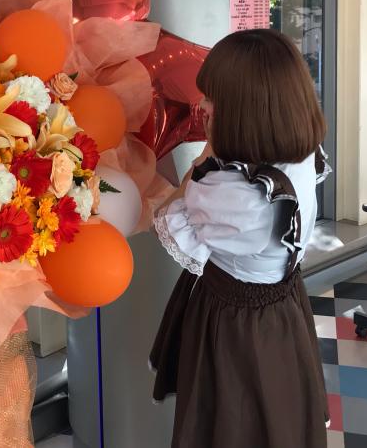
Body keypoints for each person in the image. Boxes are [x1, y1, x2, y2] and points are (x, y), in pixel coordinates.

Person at [150, 29, 330, 448]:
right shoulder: (298, 158)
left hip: (235, 322)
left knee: (232, 423)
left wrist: (204, 157)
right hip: (283, 309)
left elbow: (167, 215)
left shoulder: (238, 198)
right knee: (278, 417)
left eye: (213, 99)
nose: (202, 106)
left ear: (248, 109)